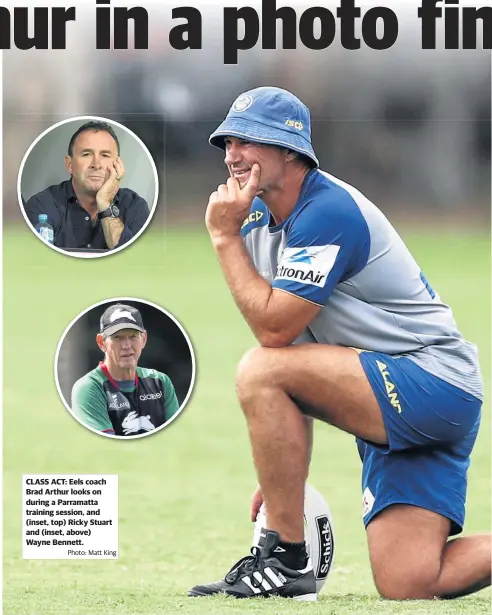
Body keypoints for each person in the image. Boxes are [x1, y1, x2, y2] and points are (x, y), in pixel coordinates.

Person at [188, 87, 490, 601]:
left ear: (290, 149)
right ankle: (287, 547)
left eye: (248, 142)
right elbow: (294, 356)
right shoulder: (259, 219)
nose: (232, 155)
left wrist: (222, 239)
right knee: (410, 581)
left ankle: (285, 558)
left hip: (433, 383)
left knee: (257, 367)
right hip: (401, 395)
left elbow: (274, 333)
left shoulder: (327, 211)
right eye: (227, 143)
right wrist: (280, 469)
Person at [24, 121, 150, 251]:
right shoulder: (41, 205)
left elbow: (132, 259)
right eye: (86, 154)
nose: (96, 164)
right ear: (69, 165)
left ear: (118, 165)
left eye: (105, 155)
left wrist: (104, 203)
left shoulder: (134, 206)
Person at [71, 304, 179, 436]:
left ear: (143, 339)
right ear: (101, 342)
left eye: (133, 336)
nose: (127, 345)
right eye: (117, 337)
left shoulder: (160, 382)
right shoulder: (89, 387)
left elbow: (176, 438)